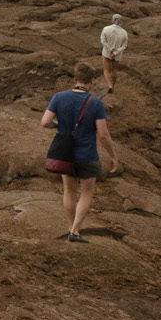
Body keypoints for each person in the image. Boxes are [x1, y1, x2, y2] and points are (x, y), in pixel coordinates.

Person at [40, 64, 119, 242]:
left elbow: (45, 122)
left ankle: (70, 227)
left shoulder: (59, 97)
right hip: (87, 155)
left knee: (69, 191)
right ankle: (75, 230)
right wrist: (113, 156)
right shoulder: (96, 103)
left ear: (75, 79)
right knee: (86, 192)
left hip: (65, 153)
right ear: (91, 82)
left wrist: (59, 126)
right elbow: (103, 135)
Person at [100, 13, 130, 90]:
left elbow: (103, 41)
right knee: (114, 69)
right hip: (117, 55)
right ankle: (113, 86)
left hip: (106, 53)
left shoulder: (106, 29)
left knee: (106, 70)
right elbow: (124, 46)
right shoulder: (124, 32)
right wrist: (115, 53)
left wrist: (110, 50)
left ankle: (109, 85)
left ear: (113, 20)